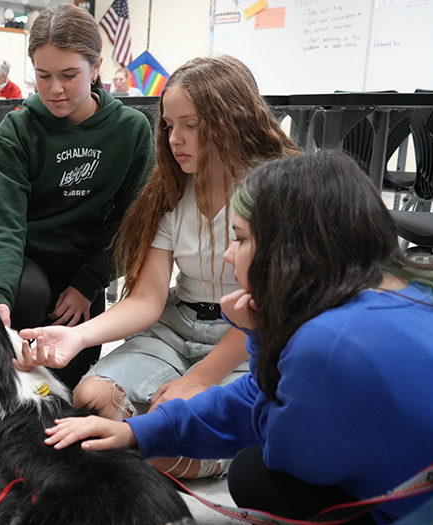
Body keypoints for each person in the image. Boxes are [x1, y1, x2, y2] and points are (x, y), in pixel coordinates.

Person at [43, 151, 433, 525]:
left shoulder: (326, 342)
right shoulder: (404, 292)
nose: (229, 256)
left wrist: (258, 337)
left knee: (254, 472)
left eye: (241, 239)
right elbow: (255, 394)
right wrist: (137, 433)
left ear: (290, 249)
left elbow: (286, 455)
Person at [19, 55, 299, 478]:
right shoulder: (170, 187)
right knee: (91, 398)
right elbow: (148, 299)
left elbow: (265, 317)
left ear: (232, 118)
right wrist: (76, 337)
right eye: (169, 125)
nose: (175, 139)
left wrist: (199, 379)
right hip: (176, 326)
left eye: (191, 125)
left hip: (246, 341)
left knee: (169, 452)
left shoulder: (276, 190)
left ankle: (192, 427)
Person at [0, 3, 154, 390]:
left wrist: (89, 283)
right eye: (43, 75)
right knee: (26, 300)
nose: (55, 89)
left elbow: (130, 222)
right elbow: (1, 219)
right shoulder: (18, 129)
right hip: (26, 266)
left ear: (96, 66)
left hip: (83, 272)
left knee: (68, 386)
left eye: (70, 75)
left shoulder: (132, 130)